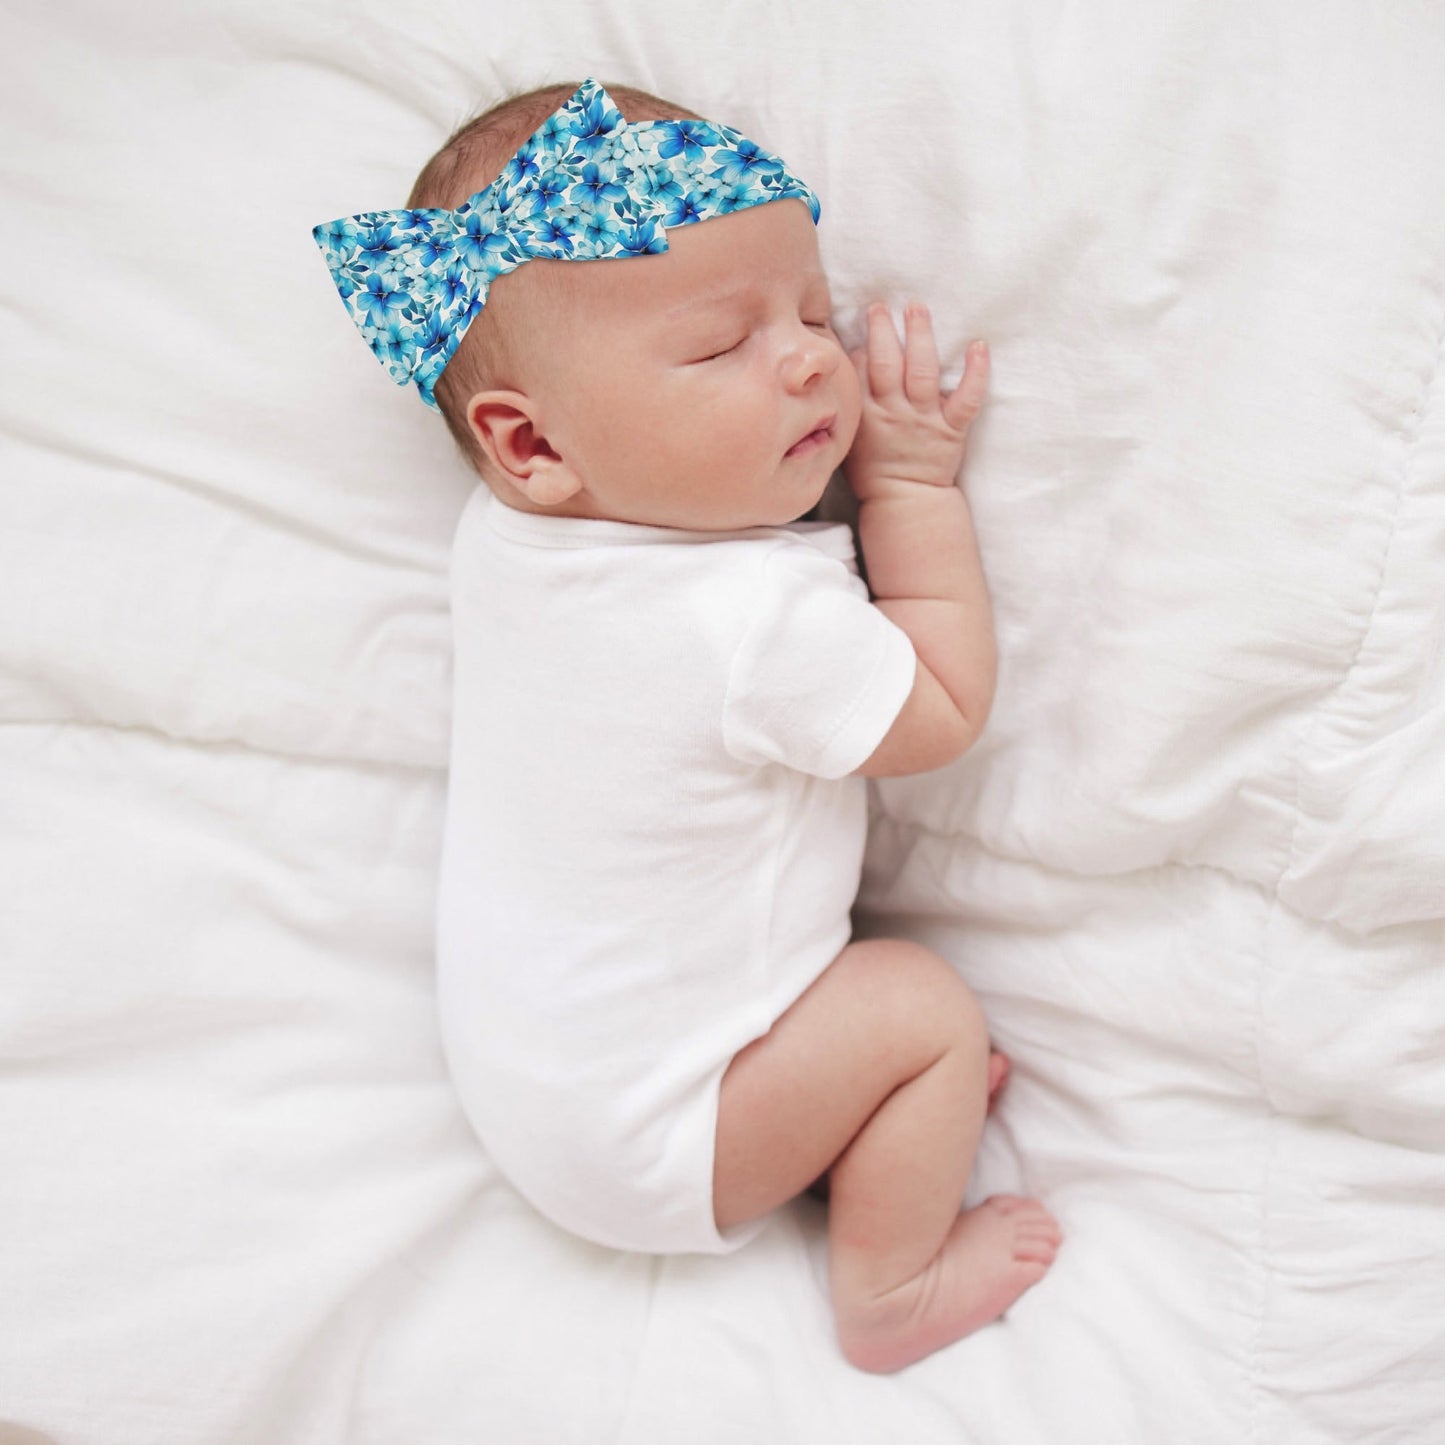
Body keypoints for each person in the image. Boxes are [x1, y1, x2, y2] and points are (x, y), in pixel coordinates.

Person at [313, 76, 1060, 1375]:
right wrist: (906, 484)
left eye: (812, 310)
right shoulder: (747, 617)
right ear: (531, 443)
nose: (812, 358)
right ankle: (889, 1291)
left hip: (541, 1093)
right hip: (666, 1133)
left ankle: (839, 1121)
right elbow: (940, 708)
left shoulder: (504, 542)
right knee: (922, 1010)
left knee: (867, 1022)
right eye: (721, 347)